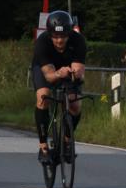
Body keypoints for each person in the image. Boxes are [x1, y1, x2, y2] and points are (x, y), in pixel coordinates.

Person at [32, 10, 86, 162]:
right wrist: (58, 74)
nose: (59, 41)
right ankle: (43, 147)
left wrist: (74, 74)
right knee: (43, 97)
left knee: (74, 104)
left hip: (67, 69)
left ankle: (67, 141)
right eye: (55, 36)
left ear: (69, 34)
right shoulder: (42, 43)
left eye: (63, 36)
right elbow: (49, 76)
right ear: (50, 34)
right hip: (45, 68)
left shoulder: (78, 41)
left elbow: (79, 71)